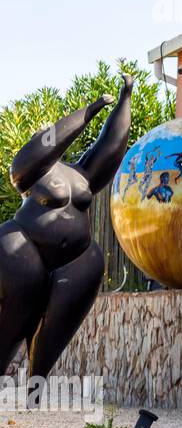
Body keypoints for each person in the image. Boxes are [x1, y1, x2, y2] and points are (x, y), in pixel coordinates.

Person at [0, 75, 133, 381]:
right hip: (22, 248)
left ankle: (37, 380)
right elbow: (43, 148)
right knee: (13, 322)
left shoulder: (81, 174)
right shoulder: (28, 171)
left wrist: (125, 98)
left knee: (54, 329)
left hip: (75, 259)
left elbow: (109, 148)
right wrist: (91, 110)